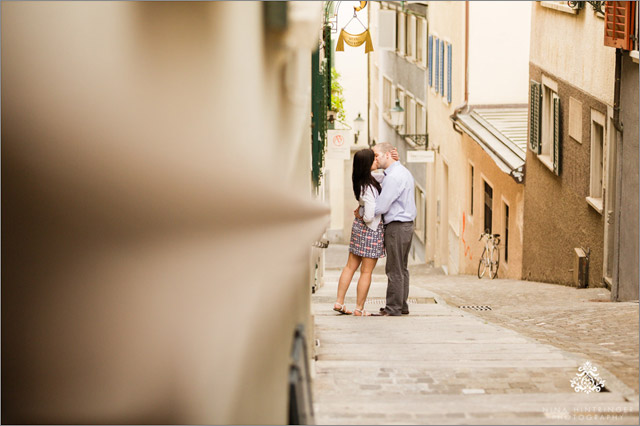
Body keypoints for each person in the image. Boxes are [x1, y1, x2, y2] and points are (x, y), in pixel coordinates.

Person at [357, 142, 416, 316]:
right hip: (405, 225)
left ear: (387, 155)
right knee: (401, 267)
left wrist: (363, 211)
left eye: (376, 155)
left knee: (394, 268)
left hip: (397, 226)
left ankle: (393, 308)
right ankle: (401, 305)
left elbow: (381, 207)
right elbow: (376, 179)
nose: (374, 158)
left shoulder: (393, 177)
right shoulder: (398, 172)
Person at [333, 148, 385, 317]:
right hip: (370, 230)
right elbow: (370, 216)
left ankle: (339, 302)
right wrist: (364, 213)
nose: (377, 161)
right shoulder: (369, 188)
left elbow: (385, 176)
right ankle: (359, 308)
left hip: (358, 229)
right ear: (367, 163)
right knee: (366, 271)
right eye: (374, 159)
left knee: (350, 267)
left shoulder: (361, 181)